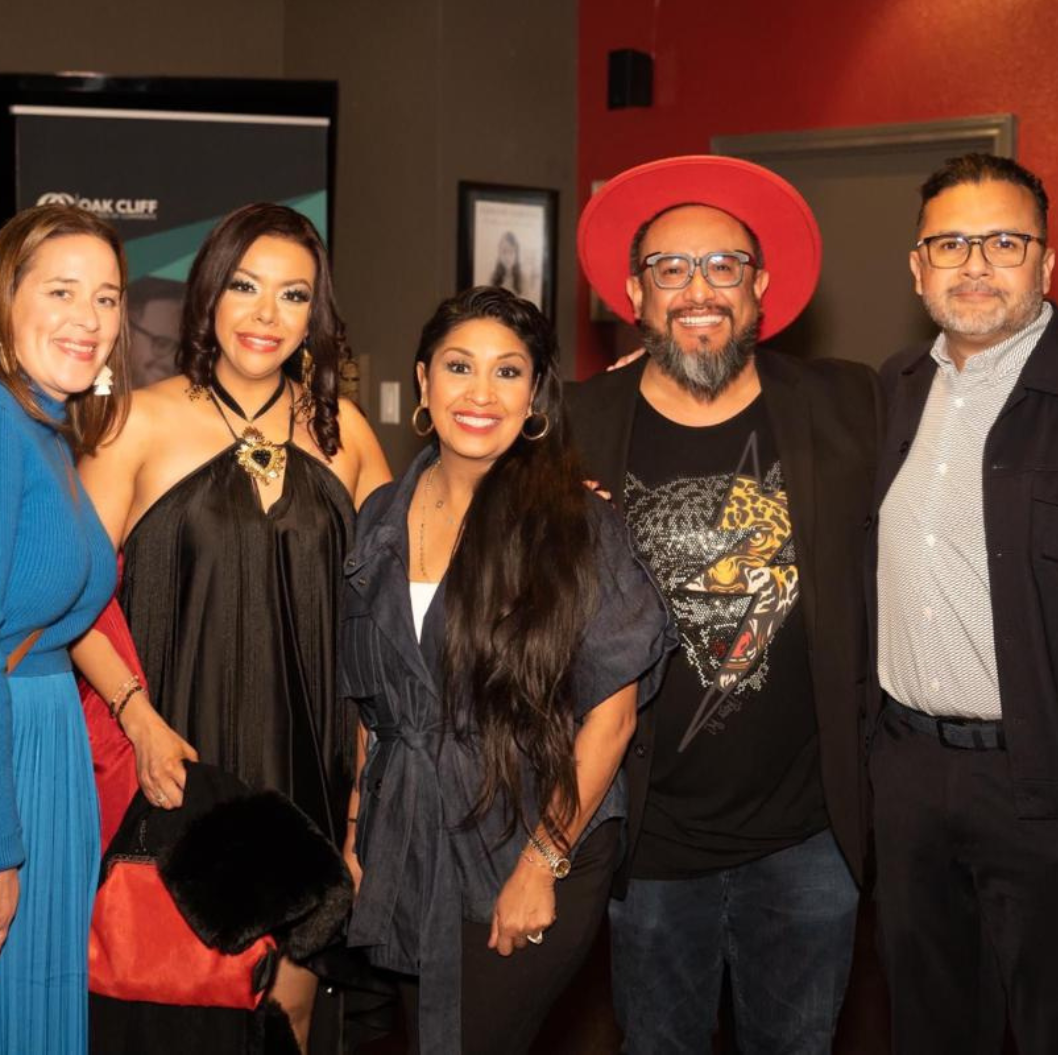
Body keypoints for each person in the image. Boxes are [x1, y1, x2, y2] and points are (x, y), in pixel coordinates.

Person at [566, 155, 882, 1054]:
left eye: (723, 267)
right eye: (670, 268)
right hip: (649, 834)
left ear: (761, 288)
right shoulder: (577, 423)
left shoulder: (848, 403)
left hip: (811, 833)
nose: (697, 289)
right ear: (635, 292)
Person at [73, 203, 391, 1053]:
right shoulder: (135, 423)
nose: (265, 315)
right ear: (209, 294)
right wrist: (137, 718)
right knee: (176, 1017)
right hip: (180, 774)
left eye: (293, 295)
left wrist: (366, 801)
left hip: (310, 778)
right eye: (245, 287)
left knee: (288, 1020)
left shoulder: (347, 436)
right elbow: (66, 601)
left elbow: (395, 617)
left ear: (315, 315)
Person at [340, 286, 674, 1054]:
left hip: (532, 834)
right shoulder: (380, 517)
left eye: (508, 372)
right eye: (459, 367)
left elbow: (612, 717)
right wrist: (361, 830)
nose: (480, 393)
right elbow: (375, 699)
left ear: (535, 399)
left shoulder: (579, 529)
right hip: (411, 836)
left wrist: (540, 864)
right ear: (423, 382)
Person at [868, 153, 1058, 1053]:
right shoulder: (889, 389)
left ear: (1046, 262)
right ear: (917, 267)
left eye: (1004, 241)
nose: (975, 263)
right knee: (929, 1017)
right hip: (906, 774)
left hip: (1039, 779)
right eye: (950, 243)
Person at [0, 204, 128, 1053]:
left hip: (45, 763)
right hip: (1, 778)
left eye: (107, 298)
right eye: (63, 290)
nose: (90, 319)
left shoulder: (47, 431)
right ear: (6, 297)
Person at [490, 231, 523, 295]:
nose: (507, 257)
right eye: (504, 251)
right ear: (499, 254)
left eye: (511, 252)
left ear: (517, 254)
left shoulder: (523, 279)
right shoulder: (493, 277)